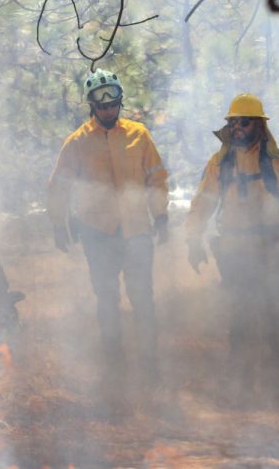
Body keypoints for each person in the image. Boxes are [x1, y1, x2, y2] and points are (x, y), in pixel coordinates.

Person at [185, 93, 279, 403]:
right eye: (233, 122)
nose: (237, 128)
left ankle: (274, 387)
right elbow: (203, 202)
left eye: (244, 122)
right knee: (240, 317)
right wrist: (193, 240)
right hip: (235, 252)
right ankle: (240, 386)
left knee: (275, 318)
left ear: (260, 125)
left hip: (275, 249)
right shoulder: (220, 162)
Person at [47, 68, 169, 388]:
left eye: (112, 103)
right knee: (107, 299)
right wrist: (58, 223)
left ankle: (150, 365)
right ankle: (115, 365)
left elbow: (156, 177)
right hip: (98, 233)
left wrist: (161, 215)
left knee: (143, 299)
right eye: (101, 105)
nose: (107, 110)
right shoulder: (76, 142)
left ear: (120, 101)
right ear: (92, 105)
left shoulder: (139, 135)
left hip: (136, 230)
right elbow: (59, 186)